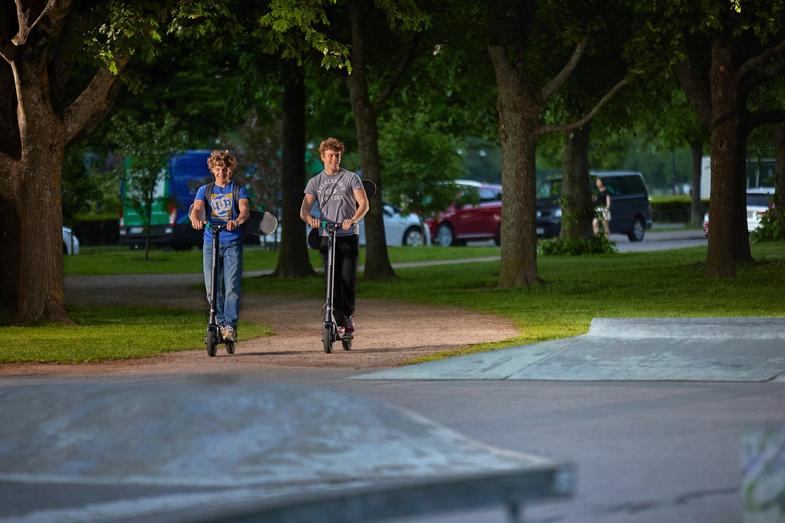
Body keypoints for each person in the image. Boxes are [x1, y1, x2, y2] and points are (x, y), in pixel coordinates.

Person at [300, 137, 369, 337]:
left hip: (347, 235)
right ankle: (337, 320)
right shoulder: (315, 182)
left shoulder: (351, 178)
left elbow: (363, 204)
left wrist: (353, 219)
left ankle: (347, 315)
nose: (333, 160)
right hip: (326, 235)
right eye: (330, 156)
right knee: (331, 280)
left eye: (337, 156)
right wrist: (310, 218)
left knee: (347, 279)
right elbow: (304, 209)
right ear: (323, 157)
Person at [190, 150, 250, 343]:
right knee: (211, 289)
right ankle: (221, 323)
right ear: (212, 170)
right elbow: (197, 208)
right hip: (211, 242)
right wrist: (195, 219)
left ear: (230, 170)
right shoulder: (205, 190)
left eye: (224, 169)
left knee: (231, 287)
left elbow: (245, 210)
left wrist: (237, 221)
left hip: (232, 243)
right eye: (217, 169)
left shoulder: (238, 189)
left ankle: (230, 326)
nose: (221, 172)